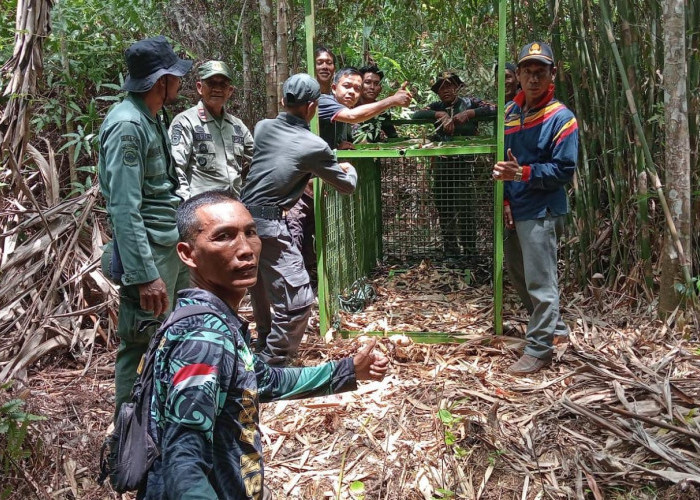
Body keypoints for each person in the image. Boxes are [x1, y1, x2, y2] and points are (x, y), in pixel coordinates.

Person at [143, 190, 389, 499]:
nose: (245, 249)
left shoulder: (212, 322)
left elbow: (266, 379)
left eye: (250, 232)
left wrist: (348, 371)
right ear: (188, 254)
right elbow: (183, 456)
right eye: (223, 237)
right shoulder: (204, 339)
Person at [97, 36, 193, 419]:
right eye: (176, 77)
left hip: (168, 244)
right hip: (149, 254)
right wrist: (143, 274)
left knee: (175, 332)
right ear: (161, 82)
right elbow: (124, 206)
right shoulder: (126, 126)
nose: (180, 83)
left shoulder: (151, 117)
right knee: (140, 345)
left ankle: (167, 418)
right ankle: (130, 438)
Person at [240, 73, 359, 366]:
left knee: (262, 287)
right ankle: (275, 361)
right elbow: (346, 186)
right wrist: (349, 167)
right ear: (312, 107)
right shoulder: (313, 145)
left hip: (242, 221)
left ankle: (263, 344)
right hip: (268, 223)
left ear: (283, 101)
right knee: (299, 298)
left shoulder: (263, 127)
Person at [492, 41, 578, 375]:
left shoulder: (562, 118)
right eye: (527, 71)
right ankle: (554, 331)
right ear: (518, 75)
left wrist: (522, 174)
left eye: (540, 72)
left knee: (541, 283)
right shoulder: (511, 113)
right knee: (518, 275)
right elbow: (503, 163)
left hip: (542, 210)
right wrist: (505, 198)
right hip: (517, 207)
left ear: (551, 74)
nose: (532, 79)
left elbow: (564, 170)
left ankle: (539, 350)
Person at [412, 71, 496, 256]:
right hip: (442, 165)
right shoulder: (436, 106)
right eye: (441, 88)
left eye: (450, 86)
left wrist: (470, 113)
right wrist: (439, 114)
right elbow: (415, 115)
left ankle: (469, 251)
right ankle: (450, 252)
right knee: (445, 208)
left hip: (464, 164)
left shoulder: (469, 102)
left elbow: (494, 109)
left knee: (466, 208)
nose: (446, 91)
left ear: (457, 87)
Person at [169, 60, 254, 199]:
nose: (217, 89)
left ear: (230, 90)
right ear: (200, 87)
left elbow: (259, 161)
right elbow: (175, 168)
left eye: (223, 84)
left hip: (234, 208)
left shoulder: (238, 126)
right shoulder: (185, 121)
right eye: (211, 83)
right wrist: (185, 204)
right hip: (201, 210)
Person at [318, 67, 412, 150]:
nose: (351, 91)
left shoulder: (345, 108)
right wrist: (392, 100)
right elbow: (352, 116)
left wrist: (337, 146)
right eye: (346, 86)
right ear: (334, 88)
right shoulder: (324, 101)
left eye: (357, 88)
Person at [352, 64, 399, 143]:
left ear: (380, 88)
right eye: (367, 82)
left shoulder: (383, 111)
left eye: (376, 83)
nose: (372, 87)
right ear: (359, 84)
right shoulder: (349, 107)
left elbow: (392, 136)